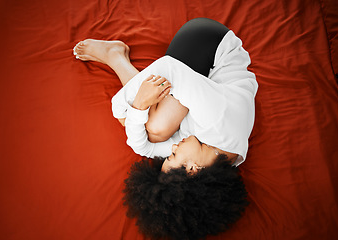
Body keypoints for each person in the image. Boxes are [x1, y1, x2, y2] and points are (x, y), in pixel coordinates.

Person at [73, 18, 257, 240]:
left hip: (201, 85)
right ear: (192, 170)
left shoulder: (209, 158)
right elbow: (169, 68)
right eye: (173, 156)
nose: (173, 149)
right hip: (207, 44)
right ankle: (115, 57)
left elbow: (144, 148)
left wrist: (140, 106)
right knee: (156, 127)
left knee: (150, 130)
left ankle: (116, 56)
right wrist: (123, 105)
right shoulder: (219, 122)